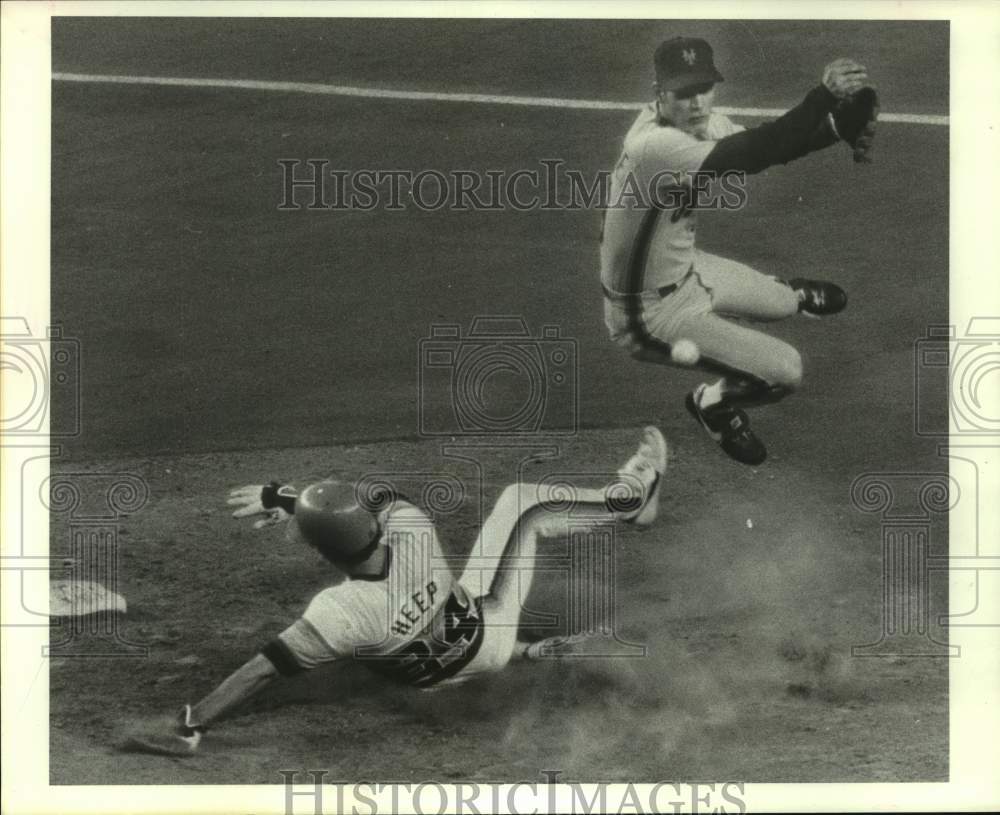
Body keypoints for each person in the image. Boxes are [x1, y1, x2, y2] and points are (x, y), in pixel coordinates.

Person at [122, 427, 668, 757]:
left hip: (431, 682)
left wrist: (191, 724)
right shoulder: (415, 532)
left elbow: (262, 669)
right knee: (523, 503)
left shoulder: (337, 612)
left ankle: (535, 647)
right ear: (373, 529)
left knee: (350, 650)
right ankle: (628, 503)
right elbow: (373, 496)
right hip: (488, 633)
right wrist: (286, 495)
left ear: (322, 553)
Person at [600, 36, 873, 465]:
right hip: (647, 315)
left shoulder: (702, 127)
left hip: (688, 269)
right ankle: (713, 404)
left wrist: (837, 130)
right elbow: (756, 152)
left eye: (704, 89)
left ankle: (787, 295)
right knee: (786, 372)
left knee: (784, 304)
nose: (697, 104)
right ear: (659, 95)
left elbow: (776, 146)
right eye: (684, 93)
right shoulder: (653, 147)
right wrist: (823, 98)